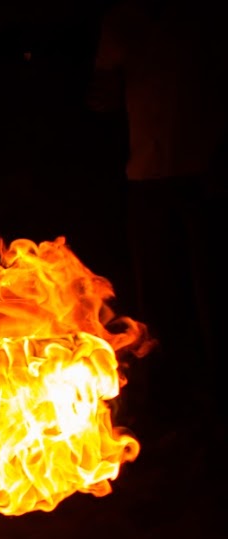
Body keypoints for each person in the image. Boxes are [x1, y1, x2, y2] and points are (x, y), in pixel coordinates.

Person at [87, 0, 226, 436]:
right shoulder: (122, 19)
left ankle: (216, 396)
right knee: (157, 294)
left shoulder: (204, 14)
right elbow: (103, 96)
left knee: (211, 290)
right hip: (146, 178)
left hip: (202, 175)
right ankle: (169, 396)